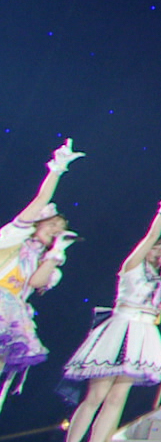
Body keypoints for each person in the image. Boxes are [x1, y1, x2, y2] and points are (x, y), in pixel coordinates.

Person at [53, 180, 161, 442]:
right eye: (157, 247)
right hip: (120, 327)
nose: (159, 251)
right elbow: (150, 236)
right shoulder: (133, 266)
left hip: (143, 333)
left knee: (116, 399)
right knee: (96, 396)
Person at [0, 139, 84, 412]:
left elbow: (37, 282)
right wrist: (57, 169)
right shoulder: (12, 238)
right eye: (52, 224)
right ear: (38, 223)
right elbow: (40, 201)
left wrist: (56, 252)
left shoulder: (50, 263)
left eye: (60, 228)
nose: (56, 230)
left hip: (11, 315)